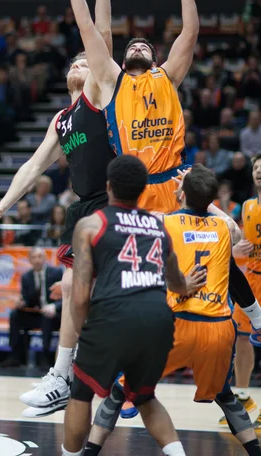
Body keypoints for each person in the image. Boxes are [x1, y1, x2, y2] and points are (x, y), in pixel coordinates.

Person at [0, 0, 118, 415]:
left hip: (113, 201)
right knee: (81, 292)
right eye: (77, 60)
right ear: (67, 74)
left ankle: (71, 374)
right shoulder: (62, 119)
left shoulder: (98, 91)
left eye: (86, 59)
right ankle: (76, 375)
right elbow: (32, 166)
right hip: (85, 206)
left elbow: (99, 31)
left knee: (88, 290)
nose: (83, 61)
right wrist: (3, 206)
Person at [86, 164, 261, 456]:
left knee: (118, 391)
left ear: (180, 193)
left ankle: (89, 452)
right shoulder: (222, 228)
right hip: (217, 330)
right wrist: (203, 197)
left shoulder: (164, 223)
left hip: (176, 325)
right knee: (225, 395)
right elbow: (232, 228)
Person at [63, 155, 204, 456]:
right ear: (142, 190)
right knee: (144, 396)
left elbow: (79, 297)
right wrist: (187, 285)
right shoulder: (157, 226)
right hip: (158, 318)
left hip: (113, 315)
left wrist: (82, 336)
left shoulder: (90, 225)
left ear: (109, 186)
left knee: (81, 392)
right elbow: (175, 280)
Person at [63, 0, 198, 215]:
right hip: (132, 189)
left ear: (155, 60)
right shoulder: (114, 82)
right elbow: (88, 28)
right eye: (133, 47)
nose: (138, 46)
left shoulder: (168, 77)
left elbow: (190, 32)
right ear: (122, 63)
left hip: (175, 181)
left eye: (145, 47)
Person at [230, 154, 261, 432]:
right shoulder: (247, 206)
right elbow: (239, 241)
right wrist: (234, 250)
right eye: (255, 168)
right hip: (251, 281)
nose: (258, 171)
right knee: (240, 339)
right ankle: (242, 396)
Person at [0, 248, 63, 369]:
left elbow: (66, 296)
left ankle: (45, 358)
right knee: (15, 315)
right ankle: (15, 356)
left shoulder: (56, 273)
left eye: (40, 256)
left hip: (53, 314)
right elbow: (27, 299)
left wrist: (54, 306)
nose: (37, 260)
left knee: (47, 317)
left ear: (45, 258)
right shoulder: (26, 276)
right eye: (34, 257)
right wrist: (21, 302)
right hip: (35, 313)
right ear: (29, 260)